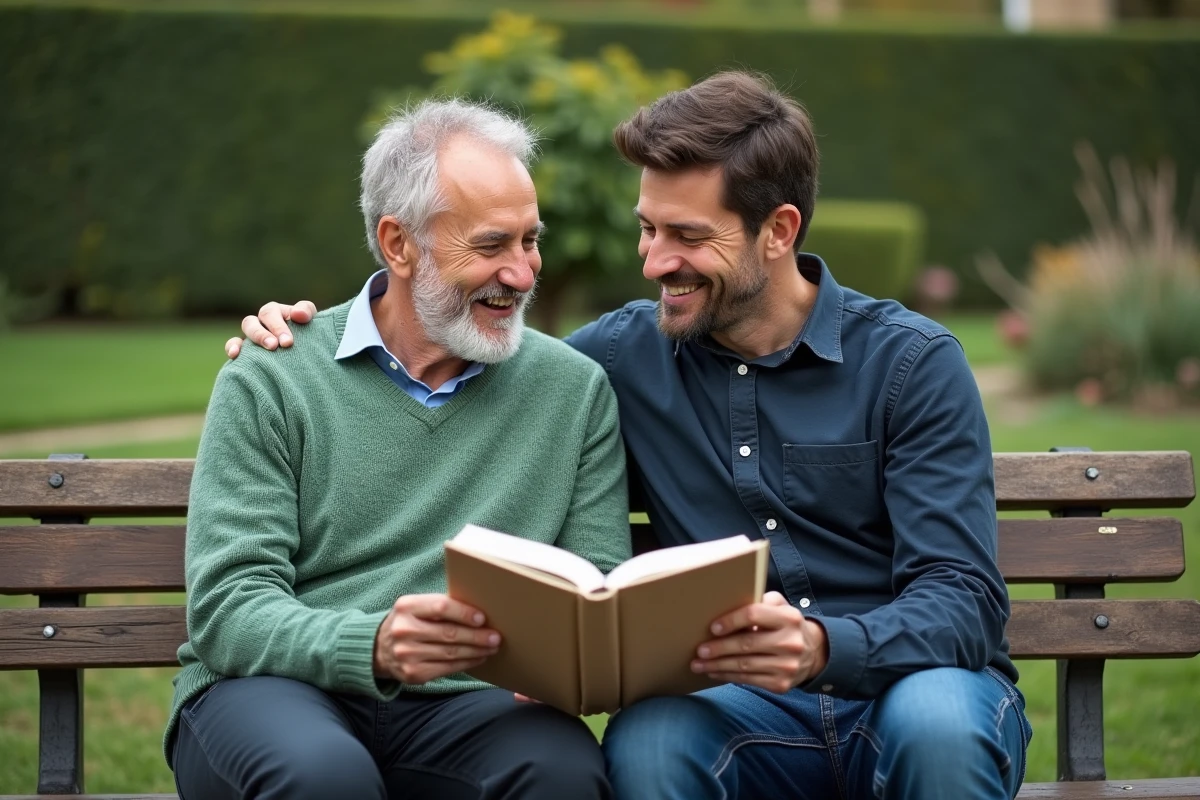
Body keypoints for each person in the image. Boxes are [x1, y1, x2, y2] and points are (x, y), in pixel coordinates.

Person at [230, 71, 1032, 799]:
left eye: (686, 237)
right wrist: (302, 336)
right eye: (648, 230)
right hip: (737, 707)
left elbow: (963, 602)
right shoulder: (612, 362)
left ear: (778, 230)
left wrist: (823, 645)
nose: (653, 262)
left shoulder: (912, 366)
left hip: (911, 687)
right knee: (649, 742)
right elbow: (450, 336)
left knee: (937, 729)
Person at [169, 98, 630, 800]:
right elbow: (231, 607)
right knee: (323, 778)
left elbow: (598, 580)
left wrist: (575, 659)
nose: (524, 273)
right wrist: (375, 645)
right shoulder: (275, 375)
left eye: (530, 241)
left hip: (474, 704)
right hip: (275, 689)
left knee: (561, 775)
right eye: (491, 245)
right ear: (399, 244)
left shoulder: (574, 391)